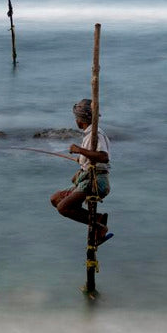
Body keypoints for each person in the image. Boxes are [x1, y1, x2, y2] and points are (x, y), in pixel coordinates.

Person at [49, 98, 112, 246]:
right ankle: (96, 217)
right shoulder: (89, 134)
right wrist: (82, 159)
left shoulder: (95, 135)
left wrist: (79, 150)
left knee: (63, 207)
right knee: (55, 198)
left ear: (81, 120)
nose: (75, 121)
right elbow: (92, 157)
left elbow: (104, 157)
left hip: (97, 181)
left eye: (76, 118)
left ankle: (99, 227)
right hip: (87, 178)